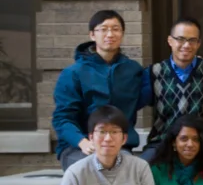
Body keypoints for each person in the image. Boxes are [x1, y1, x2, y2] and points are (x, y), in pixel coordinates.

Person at [53, 10, 144, 169]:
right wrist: (82, 141)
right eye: (103, 29)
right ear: (92, 35)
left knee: (130, 169)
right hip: (79, 147)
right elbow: (62, 118)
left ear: (122, 34)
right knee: (94, 167)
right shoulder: (73, 73)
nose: (110, 34)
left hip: (118, 147)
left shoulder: (133, 71)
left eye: (116, 29)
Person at [140, 16, 203, 162]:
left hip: (201, 141)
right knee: (141, 168)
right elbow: (134, 102)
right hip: (163, 140)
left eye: (192, 40)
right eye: (181, 39)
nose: (186, 45)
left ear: (198, 43)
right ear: (170, 41)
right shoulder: (154, 72)